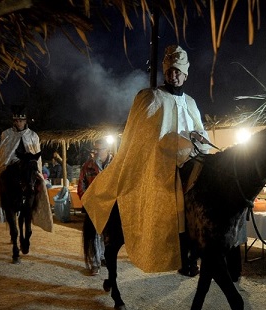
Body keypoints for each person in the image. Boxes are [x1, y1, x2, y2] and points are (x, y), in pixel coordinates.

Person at [81, 44, 211, 276]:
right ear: (165, 71)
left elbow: (200, 129)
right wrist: (181, 140)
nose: (174, 75)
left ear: (186, 74)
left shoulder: (191, 103)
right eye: (170, 70)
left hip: (191, 158)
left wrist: (200, 138)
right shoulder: (151, 97)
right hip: (161, 164)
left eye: (178, 71)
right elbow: (147, 138)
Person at [0, 108, 53, 234]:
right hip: (11, 163)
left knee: (41, 183)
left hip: (28, 164)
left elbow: (36, 154)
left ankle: (37, 210)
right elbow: (3, 152)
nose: (19, 123)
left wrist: (34, 166)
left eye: (21, 120)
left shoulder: (33, 135)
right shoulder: (6, 134)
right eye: (16, 120)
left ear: (25, 120)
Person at [77, 138, 114, 275]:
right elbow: (81, 185)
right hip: (94, 206)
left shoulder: (116, 164)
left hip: (111, 205)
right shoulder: (88, 166)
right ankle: (94, 262)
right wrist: (87, 201)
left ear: (107, 149)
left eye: (100, 150)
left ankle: (104, 257)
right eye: (95, 150)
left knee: (108, 234)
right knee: (93, 235)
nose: (97, 153)